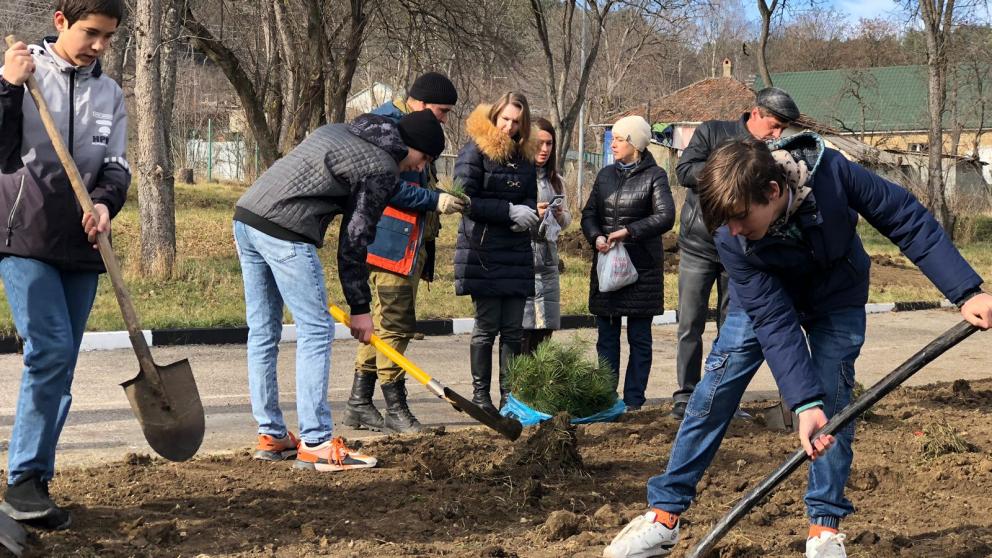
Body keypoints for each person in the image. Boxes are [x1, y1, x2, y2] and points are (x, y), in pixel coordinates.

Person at [604, 133, 992, 558]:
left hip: (836, 293)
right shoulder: (730, 233)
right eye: (725, 224)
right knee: (713, 390)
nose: (734, 230)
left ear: (773, 191)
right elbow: (774, 320)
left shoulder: (833, 174)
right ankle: (664, 516)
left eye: (740, 218)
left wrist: (965, 291)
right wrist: (803, 402)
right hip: (764, 301)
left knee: (834, 401)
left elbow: (904, 217)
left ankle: (823, 530)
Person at [233, 109, 445, 472]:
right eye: (423, 157)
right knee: (316, 330)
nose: (419, 166)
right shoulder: (383, 166)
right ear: (409, 145)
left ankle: (272, 435)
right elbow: (354, 241)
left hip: (247, 217)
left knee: (263, 332)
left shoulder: (347, 131)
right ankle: (316, 442)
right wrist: (360, 308)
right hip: (286, 229)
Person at [0, 0, 128, 530]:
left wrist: (104, 204)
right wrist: (7, 88)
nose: (99, 45)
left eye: (108, 37)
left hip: (83, 242)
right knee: (49, 351)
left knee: (62, 365)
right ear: (60, 22)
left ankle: (35, 484)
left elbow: (116, 167)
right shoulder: (23, 71)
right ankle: (24, 479)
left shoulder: (110, 93)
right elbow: (1, 153)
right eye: (91, 32)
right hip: (24, 233)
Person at [344, 72, 466, 435]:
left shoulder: (410, 126)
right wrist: (435, 200)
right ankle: (395, 408)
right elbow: (389, 187)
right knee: (395, 325)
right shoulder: (389, 127)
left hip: (406, 245)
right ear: (421, 103)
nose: (444, 119)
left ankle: (359, 402)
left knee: (383, 324)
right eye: (442, 111)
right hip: (389, 244)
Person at [671, 86, 801, 421]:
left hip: (744, 251)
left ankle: (723, 400)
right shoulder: (713, 131)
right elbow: (684, 170)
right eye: (774, 125)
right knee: (690, 323)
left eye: (783, 129)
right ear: (755, 113)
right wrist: (729, 174)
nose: (777, 134)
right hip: (699, 246)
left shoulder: (774, 153)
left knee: (732, 330)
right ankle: (686, 395)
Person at [581, 115, 675, 411]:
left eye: (620, 139)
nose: (614, 144)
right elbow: (589, 214)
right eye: (614, 138)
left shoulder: (655, 176)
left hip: (641, 270)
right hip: (608, 268)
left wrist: (629, 231)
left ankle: (634, 401)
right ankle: (606, 399)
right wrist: (596, 236)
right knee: (607, 338)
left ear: (636, 144)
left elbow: (665, 216)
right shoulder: (605, 175)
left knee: (639, 338)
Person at [454, 92, 539, 414]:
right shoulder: (475, 150)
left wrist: (527, 213)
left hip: (516, 250)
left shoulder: (525, 156)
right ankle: (481, 396)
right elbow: (465, 199)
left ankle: (509, 397)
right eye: (505, 119)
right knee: (487, 327)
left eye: (516, 122)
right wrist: (508, 211)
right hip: (483, 251)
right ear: (494, 116)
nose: (509, 127)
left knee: (513, 331)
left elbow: (530, 195)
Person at [521, 117, 572, 354]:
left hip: (548, 260)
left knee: (544, 330)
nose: (544, 149)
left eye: (549, 143)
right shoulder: (518, 176)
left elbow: (567, 221)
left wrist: (560, 216)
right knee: (522, 329)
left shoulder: (556, 181)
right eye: (539, 143)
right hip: (522, 258)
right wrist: (533, 212)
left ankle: (539, 374)